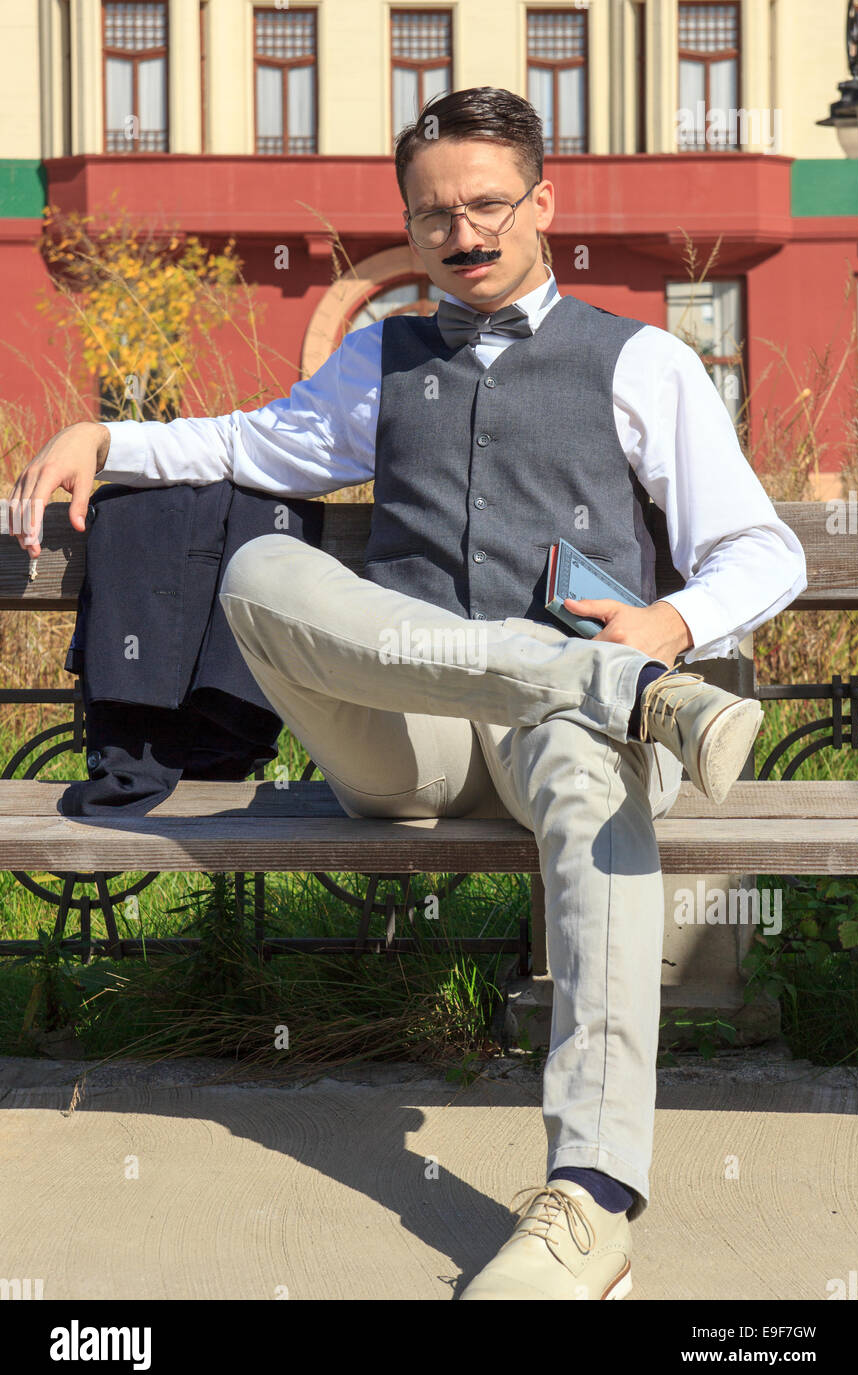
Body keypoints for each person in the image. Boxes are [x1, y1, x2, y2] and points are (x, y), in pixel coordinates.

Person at [7, 86, 807, 1301]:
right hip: (417, 747)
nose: (466, 234)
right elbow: (244, 444)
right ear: (410, 225)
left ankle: (588, 1202)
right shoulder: (379, 358)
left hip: (567, 733)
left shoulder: (640, 360)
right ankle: (619, 685)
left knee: (593, 790)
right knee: (264, 567)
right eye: (435, 216)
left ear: (543, 204)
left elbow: (763, 549)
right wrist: (110, 439)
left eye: (488, 205)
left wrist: (671, 622)